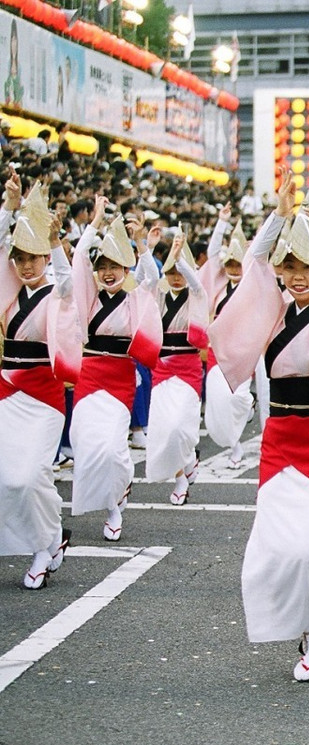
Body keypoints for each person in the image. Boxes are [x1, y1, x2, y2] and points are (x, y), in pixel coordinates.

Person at [209, 167, 309, 681]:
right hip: (281, 441)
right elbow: (251, 266)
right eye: (289, 267)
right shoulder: (272, 311)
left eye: (306, 267)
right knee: (276, 547)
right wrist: (278, 214)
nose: (297, 275)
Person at [0, 176, 81, 588]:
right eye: (20, 258)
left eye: (34, 257)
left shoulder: (55, 291)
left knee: (29, 475)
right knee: (6, 476)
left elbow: (68, 284)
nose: (27, 265)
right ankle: (50, 539)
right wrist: (10, 207)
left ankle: (42, 545)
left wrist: (54, 244)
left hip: (44, 396)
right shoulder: (10, 292)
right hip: (6, 393)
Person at [70, 197, 163, 541]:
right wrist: (95, 222)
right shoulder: (89, 295)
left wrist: (140, 246)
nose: (108, 272)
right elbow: (79, 258)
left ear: (126, 269)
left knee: (111, 448)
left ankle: (114, 505)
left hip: (119, 377)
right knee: (85, 445)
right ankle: (111, 496)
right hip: (88, 373)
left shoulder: (135, 296)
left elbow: (151, 277)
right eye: (103, 266)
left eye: (115, 266)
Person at [145, 231, 208, 505]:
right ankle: (181, 476)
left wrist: (181, 258)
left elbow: (195, 283)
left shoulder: (197, 294)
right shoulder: (157, 295)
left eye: (179, 271)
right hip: (161, 369)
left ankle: (190, 456)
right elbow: (144, 279)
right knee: (165, 429)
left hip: (188, 367)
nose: (175, 276)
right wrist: (143, 245)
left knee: (182, 428)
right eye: (170, 271)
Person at [200, 209, 256, 467]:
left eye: (238, 263)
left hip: (242, 354)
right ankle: (234, 445)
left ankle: (249, 407)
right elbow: (212, 255)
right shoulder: (219, 285)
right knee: (220, 401)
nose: (233, 269)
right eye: (230, 264)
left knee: (239, 397)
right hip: (216, 353)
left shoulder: (251, 285)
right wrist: (222, 222)